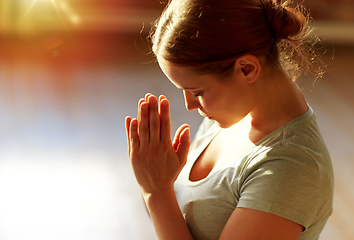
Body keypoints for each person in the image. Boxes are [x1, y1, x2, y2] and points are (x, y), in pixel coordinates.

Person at [125, 0, 334, 239]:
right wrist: (157, 181)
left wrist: (157, 191)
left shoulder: (292, 168)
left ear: (246, 69)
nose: (190, 105)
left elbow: (164, 203)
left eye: (197, 92)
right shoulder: (233, 114)